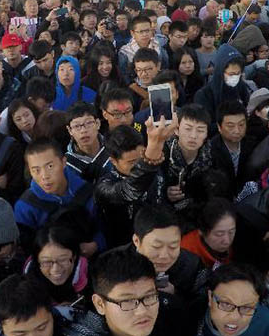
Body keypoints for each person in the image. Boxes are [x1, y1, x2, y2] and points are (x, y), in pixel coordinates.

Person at [56, 248, 200, 336]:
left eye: (149, 296)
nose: (142, 311)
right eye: (127, 301)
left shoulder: (174, 318)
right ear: (100, 304)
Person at [95, 118, 176, 248]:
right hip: (126, 249)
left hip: (161, 240)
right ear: (113, 161)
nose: (138, 164)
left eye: (141, 158)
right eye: (131, 162)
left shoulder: (154, 168)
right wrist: (153, 151)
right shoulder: (105, 186)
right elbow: (132, 189)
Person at [131, 204, 207, 305]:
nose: (164, 255)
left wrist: (174, 296)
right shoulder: (115, 265)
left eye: (173, 246)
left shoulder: (193, 266)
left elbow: (201, 306)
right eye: (157, 246)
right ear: (137, 241)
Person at [24, 223, 90, 306]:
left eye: (63, 260)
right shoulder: (30, 275)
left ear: (74, 256)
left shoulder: (81, 269)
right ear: (37, 261)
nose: (56, 269)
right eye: (47, 262)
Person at [180, 198, 236, 271]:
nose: (227, 241)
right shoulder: (184, 255)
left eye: (231, 232)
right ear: (202, 231)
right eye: (219, 234)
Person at [64, 102, 109, 184]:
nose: (83, 130)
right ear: (69, 130)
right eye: (77, 126)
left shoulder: (114, 148)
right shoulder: (67, 164)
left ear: (98, 123)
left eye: (88, 123)